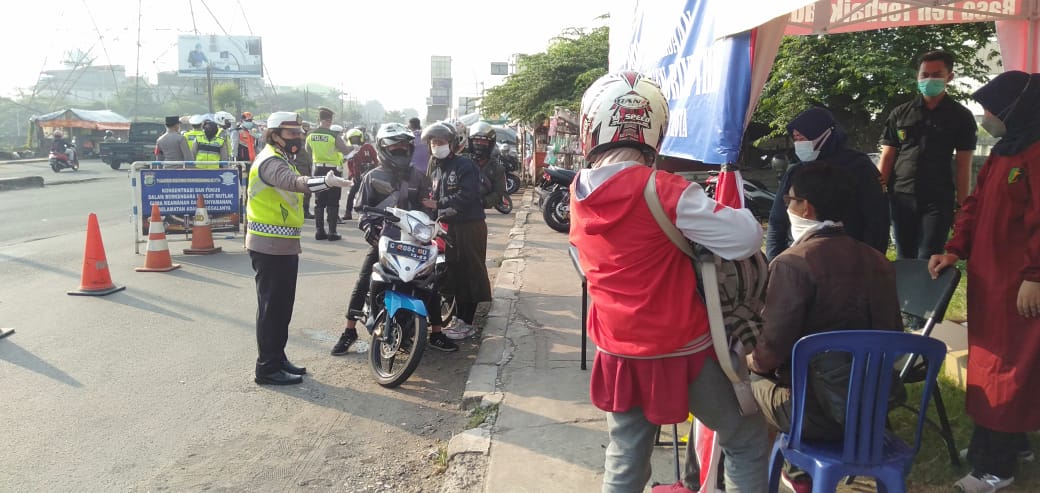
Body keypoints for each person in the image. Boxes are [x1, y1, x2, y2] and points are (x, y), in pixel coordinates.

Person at [567, 70, 768, 493]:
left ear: (591, 128)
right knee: (746, 440)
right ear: (655, 130)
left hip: (617, 348)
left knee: (626, 455)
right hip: (682, 349)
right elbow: (747, 237)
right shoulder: (665, 190)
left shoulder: (578, 192)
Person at [750, 161, 903, 492]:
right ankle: (796, 468)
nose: (786, 207)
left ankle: (778, 472)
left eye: (788, 200)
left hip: (812, 415)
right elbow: (896, 334)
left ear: (805, 206)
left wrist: (746, 360)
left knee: (739, 381)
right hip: (873, 410)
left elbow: (769, 354)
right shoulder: (879, 261)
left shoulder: (792, 263)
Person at [929, 71, 1040, 493]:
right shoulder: (1004, 152)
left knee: (1007, 370)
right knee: (994, 363)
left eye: (991, 109)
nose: (987, 117)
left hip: (1020, 286)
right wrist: (955, 248)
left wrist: (1035, 276)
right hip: (990, 284)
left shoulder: (1036, 153)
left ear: (1016, 108)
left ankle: (994, 466)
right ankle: (1014, 441)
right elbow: (974, 205)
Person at [330, 123, 458, 355]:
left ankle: (437, 333)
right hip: (384, 240)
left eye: (404, 146)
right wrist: (368, 227)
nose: (400, 150)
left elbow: (427, 207)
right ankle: (349, 330)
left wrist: (432, 225)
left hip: (413, 240)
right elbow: (362, 209)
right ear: (383, 148)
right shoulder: (372, 177)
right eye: (395, 146)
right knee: (364, 280)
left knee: (429, 283)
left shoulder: (419, 177)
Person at [246, 111, 352, 386]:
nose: (298, 137)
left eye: (299, 133)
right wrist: (326, 182)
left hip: (283, 244)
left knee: (282, 307)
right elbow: (294, 183)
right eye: (292, 133)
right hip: (268, 244)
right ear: (274, 135)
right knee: (272, 309)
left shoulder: (282, 158)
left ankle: (277, 358)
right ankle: (267, 367)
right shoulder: (270, 161)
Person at [878, 50, 978, 259]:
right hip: (901, 196)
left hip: (938, 199)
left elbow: (963, 164)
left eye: (936, 75)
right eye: (924, 75)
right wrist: (877, 192)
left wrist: (962, 206)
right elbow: (887, 157)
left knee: (929, 256)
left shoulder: (961, 116)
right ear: (917, 76)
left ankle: (926, 281)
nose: (929, 79)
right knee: (904, 257)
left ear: (949, 77)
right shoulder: (900, 113)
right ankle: (905, 282)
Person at [766, 107, 888, 261]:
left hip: (849, 258)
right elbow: (777, 222)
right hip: (799, 258)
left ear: (825, 134)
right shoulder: (795, 172)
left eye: (803, 138)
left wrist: (871, 261)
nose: (799, 144)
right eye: (796, 139)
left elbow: (877, 220)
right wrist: (773, 262)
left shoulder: (859, 167)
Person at [422, 121, 492, 342]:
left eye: (441, 142)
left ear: (452, 143)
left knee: (470, 272)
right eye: (433, 142)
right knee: (456, 273)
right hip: (450, 227)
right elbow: (432, 195)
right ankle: (459, 318)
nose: (437, 146)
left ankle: (467, 323)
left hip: (469, 226)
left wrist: (439, 204)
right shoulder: (437, 167)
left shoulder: (464, 165)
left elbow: (467, 195)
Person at [306, 107, 353, 241]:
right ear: (330, 120)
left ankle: (320, 232)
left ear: (318, 119)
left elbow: (308, 150)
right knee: (333, 201)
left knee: (319, 202)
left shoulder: (310, 134)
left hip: (317, 170)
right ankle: (332, 232)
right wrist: (353, 147)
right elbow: (345, 151)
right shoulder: (333, 135)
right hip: (333, 171)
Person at [468, 121, 507, 213]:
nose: (479, 144)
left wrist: (482, 202)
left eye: (483, 141)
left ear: (490, 143)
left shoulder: (496, 168)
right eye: (476, 140)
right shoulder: (462, 162)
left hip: (477, 214)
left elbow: (498, 193)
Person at [343, 127, 378, 221]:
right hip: (357, 177)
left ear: (361, 137)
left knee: (371, 195)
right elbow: (350, 164)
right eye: (352, 138)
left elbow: (375, 159)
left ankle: (371, 213)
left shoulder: (368, 147)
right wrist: (352, 176)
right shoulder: (351, 150)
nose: (355, 140)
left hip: (369, 175)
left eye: (356, 138)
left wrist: (374, 170)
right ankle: (348, 212)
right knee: (351, 194)